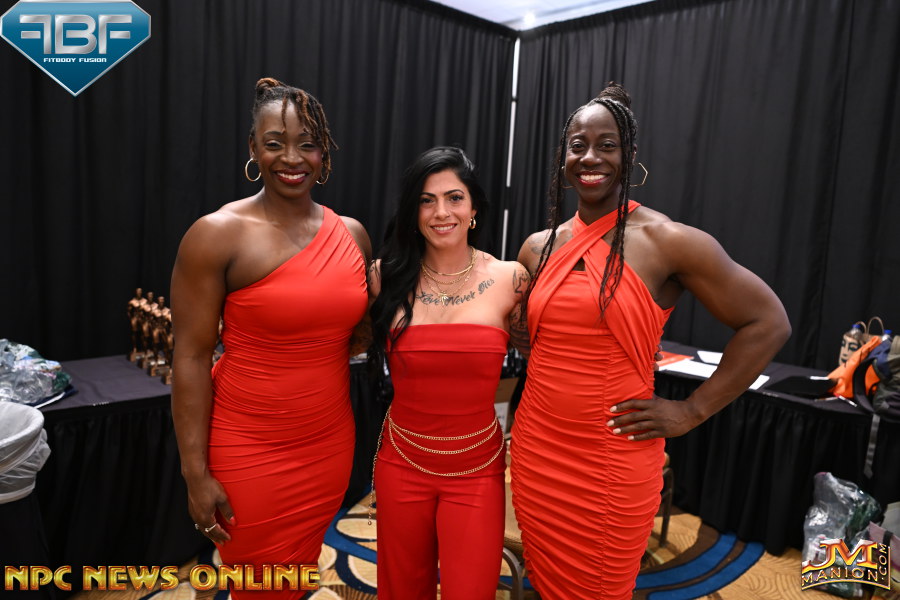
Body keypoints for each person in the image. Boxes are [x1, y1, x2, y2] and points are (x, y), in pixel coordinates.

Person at [510, 82, 791, 599]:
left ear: (630, 155)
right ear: (563, 157)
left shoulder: (669, 241)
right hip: (538, 450)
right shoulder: (537, 247)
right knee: (545, 583)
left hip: (613, 457)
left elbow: (768, 322)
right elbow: (533, 338)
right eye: (577, 145)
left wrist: (692, 411)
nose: (590, 157)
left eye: (607, 145)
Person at [170, 77, 371, 598]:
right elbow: (189, 358)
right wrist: (194, 473)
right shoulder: (217, 234)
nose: (292, 158)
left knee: (295, 577)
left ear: (324, 152)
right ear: (253, 148)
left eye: (308, 143)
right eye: (275, 143)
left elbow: (355, 337)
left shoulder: (352, 235)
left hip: (329, 445)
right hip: (248, 451)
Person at [367, 146, 530, 599]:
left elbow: (548, 358)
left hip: (477, 468)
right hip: (402, 462)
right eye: (426, 200)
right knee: (402, 589)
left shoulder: (511, 279)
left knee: (471, 591)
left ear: (473, 208)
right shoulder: (383, 277)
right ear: (413, 212)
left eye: (454, 198)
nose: (441, 212)